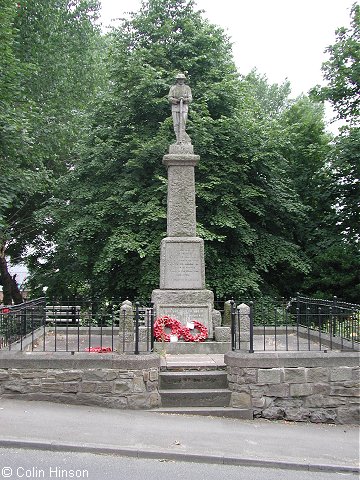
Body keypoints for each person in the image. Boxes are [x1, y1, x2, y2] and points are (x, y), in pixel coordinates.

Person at [168, 73, 193, 143]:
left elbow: (190, 98)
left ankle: (183, 139)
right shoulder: (173, 88)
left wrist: (184, 100)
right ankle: (178, 139)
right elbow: (169, 98)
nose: (181, 81)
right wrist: (176, 100)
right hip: (175, 107)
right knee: (176, 124)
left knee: (183, 124)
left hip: (184, 107)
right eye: (179, 79)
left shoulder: (187, 88)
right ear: (177, 80)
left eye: (182, 79)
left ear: (184, 80)